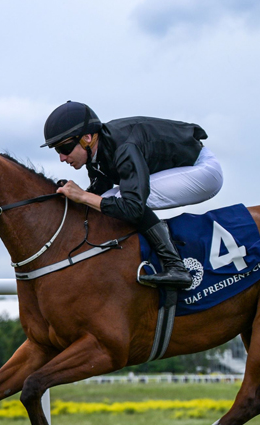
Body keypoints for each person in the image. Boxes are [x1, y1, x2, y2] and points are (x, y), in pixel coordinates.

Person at [41, 101, 223, 289]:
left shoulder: (124, 148)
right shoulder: (98, 148)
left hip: (203, 171)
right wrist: (74, 198)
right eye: (57, 151)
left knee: (121, 199)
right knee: (107, 198)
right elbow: (101, 190)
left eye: (64, 149)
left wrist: (84, 197)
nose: (62, 158)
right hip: (186, 166)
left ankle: (176, 267)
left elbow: (133, 207)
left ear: (87, 138)